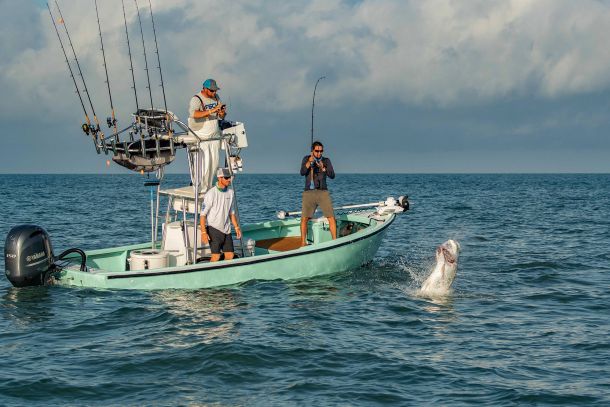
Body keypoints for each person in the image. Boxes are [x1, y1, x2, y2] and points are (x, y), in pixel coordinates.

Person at [188, 79, 227, 191]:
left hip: (214, 136)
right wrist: (212, 110)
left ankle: (209, 187)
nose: (214, 93)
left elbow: (221, 116)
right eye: (212, 91)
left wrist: (222, 113)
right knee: (203, 165)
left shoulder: (216, 97)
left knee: (214, 164)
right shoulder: (196, 99)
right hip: (200, 136)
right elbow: (193, 114)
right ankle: (199, 188)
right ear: (205, 89)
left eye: (215, 90)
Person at [200, 167, 242, 262]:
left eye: (230, 177)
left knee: (230, 255)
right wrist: (203, 232)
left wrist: (236, 227)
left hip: (226, 229)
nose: (229, 180)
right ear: (219, 178)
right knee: (216, 256)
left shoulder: (231, 193)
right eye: (226, 178)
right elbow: (202, 215)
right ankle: (209, 271)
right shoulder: (211, 193)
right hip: (213, 228)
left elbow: (231, 213)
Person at [299, 141, 336, 246]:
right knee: (304, 218)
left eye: (321, 151)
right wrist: (308, 163)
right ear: (312, 151)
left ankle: (335, 242)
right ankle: (303, 243)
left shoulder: (326, 161)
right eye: (317, 151)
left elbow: (332, 175)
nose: (319, 153)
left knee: (331, 217)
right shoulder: (306, 158)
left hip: (323, 192)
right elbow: (302, 172)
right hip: (309, 192)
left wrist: (323, 168)